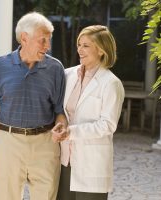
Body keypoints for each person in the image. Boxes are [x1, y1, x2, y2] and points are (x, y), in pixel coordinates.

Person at [0, 12, 67, 200]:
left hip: (45, 145)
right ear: (24, 38)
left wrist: (61, 125)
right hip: (8, 143)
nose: (48, 46)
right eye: (42, 40)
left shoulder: (55, 69)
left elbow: (59, 112)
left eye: (49, 40)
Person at [52, 25, 125, 200]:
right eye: (79, 44)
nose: (80, 50)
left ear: (101, 50)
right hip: (64, 161)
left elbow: (107, 124)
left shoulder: (111, 83)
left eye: (86, 45)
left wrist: (71, 132)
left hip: (92, 165)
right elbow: (53, 105)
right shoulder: (67, 75)